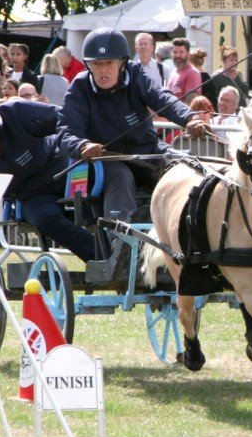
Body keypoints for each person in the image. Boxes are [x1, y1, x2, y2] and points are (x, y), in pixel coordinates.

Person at [56, 28, 207, 280]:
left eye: (109, 63)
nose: (103, 70)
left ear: (122, 63)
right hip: (106, 160)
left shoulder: (136, 75)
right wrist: (83, 146)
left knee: (186, 167)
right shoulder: (79, 88)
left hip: (147, 151)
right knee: (120, 175)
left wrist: (189, 118)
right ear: (89, 66)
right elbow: (64, 132)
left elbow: (162, 98)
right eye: (97, 64)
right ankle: (123, 250)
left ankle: (193, 241)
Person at [0, 87, 96, 262]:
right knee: (44, 218)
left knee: (100, 196)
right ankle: (103, 259)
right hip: (32, 196)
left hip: (67, 173)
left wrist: (84, 144)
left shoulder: (19, 111)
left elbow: (66, 121)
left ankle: (124, 251)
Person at [166, 37, 202, 103]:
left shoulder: (192, 73)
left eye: (181, 52)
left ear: (188, 54)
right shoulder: (173, 72)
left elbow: (191, 103)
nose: (177, 55)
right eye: (175, 52)